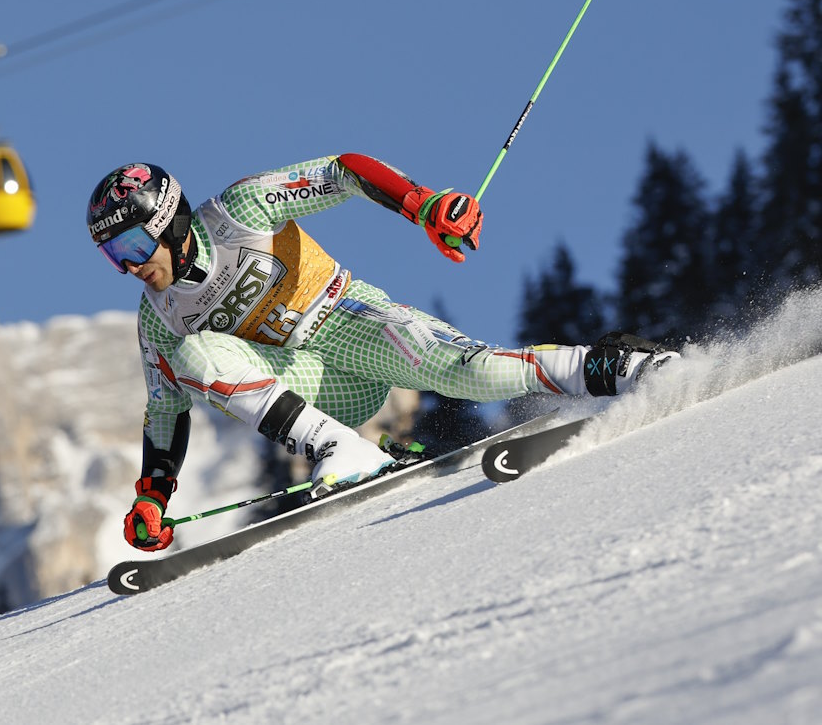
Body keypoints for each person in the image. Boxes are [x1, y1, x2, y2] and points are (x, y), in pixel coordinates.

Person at [87, 155, 676, 552]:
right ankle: (340, 449)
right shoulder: (157, 319)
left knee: (473, 373)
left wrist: (422, 205)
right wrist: (151, 497)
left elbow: (343, 171)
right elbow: (165, 412)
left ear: (171, 220)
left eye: (135, 244)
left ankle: (618, 366)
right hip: (316, 383)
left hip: (347, 318)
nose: (132, 265)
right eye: (115, 257)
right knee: (193, 360)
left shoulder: (241, 211)